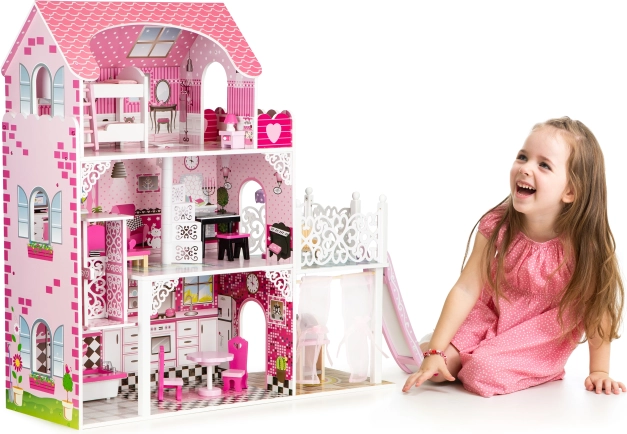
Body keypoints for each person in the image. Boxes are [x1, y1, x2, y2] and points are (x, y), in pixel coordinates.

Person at [402, 117, 625, 397]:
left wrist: (599, 370)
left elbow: (598, 307)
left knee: (481, 373)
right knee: (435, 369)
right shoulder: (499, 223)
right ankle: (446, 347)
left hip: (538, 336)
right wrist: (436, 350)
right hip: (491, 314)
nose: (525, 168)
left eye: (544, 165)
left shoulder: (584, 244)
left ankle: (493, 360)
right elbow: (467, 288)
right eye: (523, 157)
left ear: (570, 191)